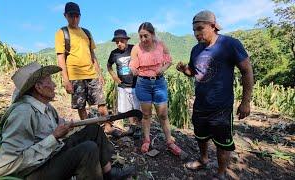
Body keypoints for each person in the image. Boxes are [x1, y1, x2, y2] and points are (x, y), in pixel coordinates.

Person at [0, 62, 134, 180]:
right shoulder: (23, 114)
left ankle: (108, 175)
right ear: (39, 87)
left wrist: (69, 128)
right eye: (50, 81)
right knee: (88, 149)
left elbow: (61, 128)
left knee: (93, 130)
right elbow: (3, 168)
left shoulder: (46, 107)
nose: (55, 85)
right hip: (34, 172)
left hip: (51, 154)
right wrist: (53, 137)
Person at [176, 10, 254, 179]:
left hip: (222, 107)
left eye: (200, 29)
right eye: (194, 30)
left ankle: (220, 173)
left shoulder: (230, 44)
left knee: (223, 143)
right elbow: (193, 72)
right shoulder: (196, 50)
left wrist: (246, 101)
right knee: (201, 136)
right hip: (201, 104)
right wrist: (185, 70)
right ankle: (203, 160)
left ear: (213, 26)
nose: (196, 34)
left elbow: (247, 71)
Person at [55, 2, 119, 136]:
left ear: (80, 16)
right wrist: (66, 80)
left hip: (91, 74)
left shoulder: (86, 33)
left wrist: (99, 74)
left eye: (77, 16)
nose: (74, 19)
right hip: (75, 76)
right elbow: (61, 58)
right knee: (81, 106)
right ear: (65, 16)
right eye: (71, 16)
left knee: (101, 103)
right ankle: (89, 131)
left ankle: (108, 126)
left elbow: (92, 55)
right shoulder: (62, 33)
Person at [129, 22, 185, 156]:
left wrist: (163, 69)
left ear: (152, 34)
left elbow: (169, 60)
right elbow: (131, 64)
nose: (143, 39)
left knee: (163, 115)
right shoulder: (136, 48)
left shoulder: (161, 45)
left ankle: (170, 142)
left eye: (146, 36)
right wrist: (132, 69)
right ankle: (146, 140)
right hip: (143, 84)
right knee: (146, 115)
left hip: (159, 83)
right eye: (141, 36)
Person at [107, 29, 141, 138]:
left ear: (126, 40)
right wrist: (115, 77)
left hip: (135, 84)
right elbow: (109, 66)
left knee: (137, 108)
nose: (119, 44)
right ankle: (132, 128)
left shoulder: (133, 49)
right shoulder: (114, 54)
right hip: (122, 86)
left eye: (121, 41)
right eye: (117, 42)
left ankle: (138, 128)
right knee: (128, 109)